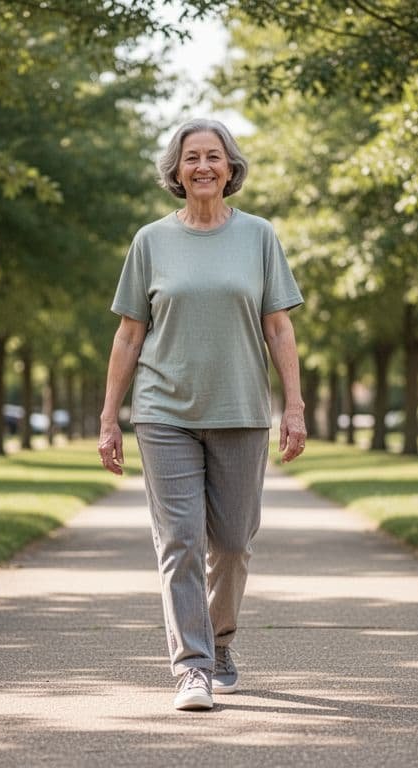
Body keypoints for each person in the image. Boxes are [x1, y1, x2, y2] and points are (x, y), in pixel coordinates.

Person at [98, 118, 307, 712]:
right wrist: (109, 417)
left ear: (231, 167)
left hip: (241, 410)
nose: (203, 167)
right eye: (191, 157)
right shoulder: (150, 241)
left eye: (214, 156)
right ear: (176, 170)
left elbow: (278, 325)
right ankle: (191, 667)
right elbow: (129, 335)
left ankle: (219, 643)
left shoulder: (259, 236)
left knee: (235, 543)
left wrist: (293, 405)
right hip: (165, 412)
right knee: (181, 541)